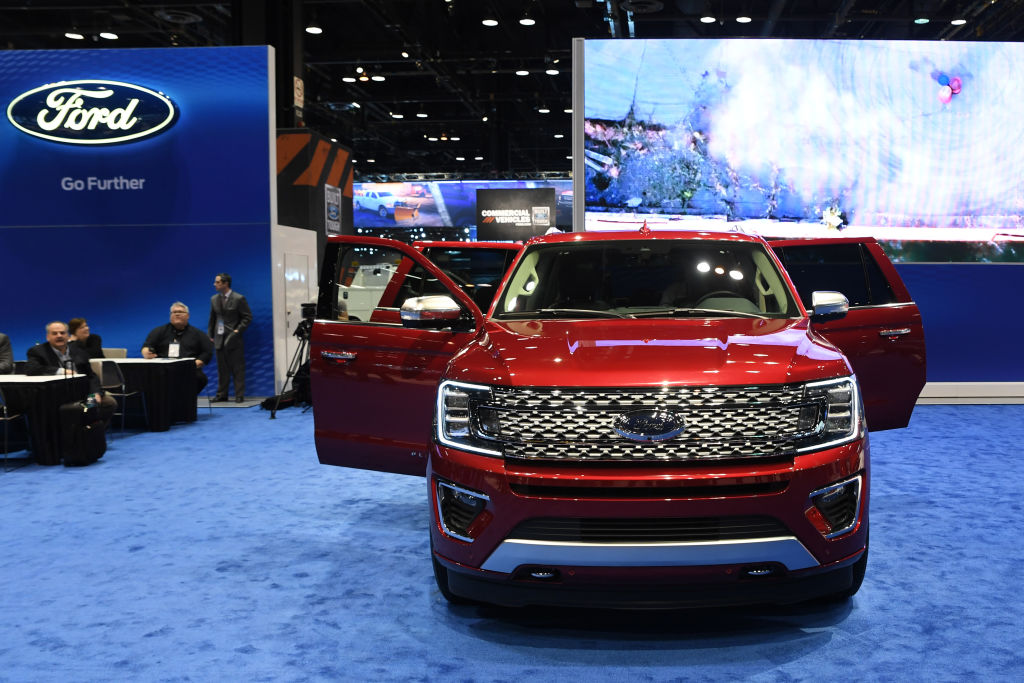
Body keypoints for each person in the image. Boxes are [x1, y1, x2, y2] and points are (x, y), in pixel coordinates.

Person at [25, 321, 116, 419]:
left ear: (68, 336)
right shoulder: (38, 351)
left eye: (62, 333)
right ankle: (77, 429)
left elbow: (91, 376)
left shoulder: (79, 351)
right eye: (54, 333)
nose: (59, 336)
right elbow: (31, 369)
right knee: (73, 410)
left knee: (107, 403)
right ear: (48, 337)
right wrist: (61, 371)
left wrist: (94, 393)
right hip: (57, 396)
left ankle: (90, 430)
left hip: (83, 394)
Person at [142, 302, 214, 394]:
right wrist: (146, 352)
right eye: (174, 312)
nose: (177, 314)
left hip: (188, 369)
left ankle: (186, 401)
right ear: (170, 315)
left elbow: (207, 352)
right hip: (163, 370)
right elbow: (146, 346)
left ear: (187, 315)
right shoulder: (158, 331)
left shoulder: (198, 334)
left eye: (180, 312)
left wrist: (197, 363)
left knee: (200, 379)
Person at [208, 273, 252, 403]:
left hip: (234, 338)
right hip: (219, 338)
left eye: (217, 282)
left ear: (225, 283)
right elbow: (212, 319)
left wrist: (237, 331)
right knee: (222, 368)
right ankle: (222, 394)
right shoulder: (214, 299)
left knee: (237, 367)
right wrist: (210, 335)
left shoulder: (239, 298)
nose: (214, 284)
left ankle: (239, 394)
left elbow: (247, 317)